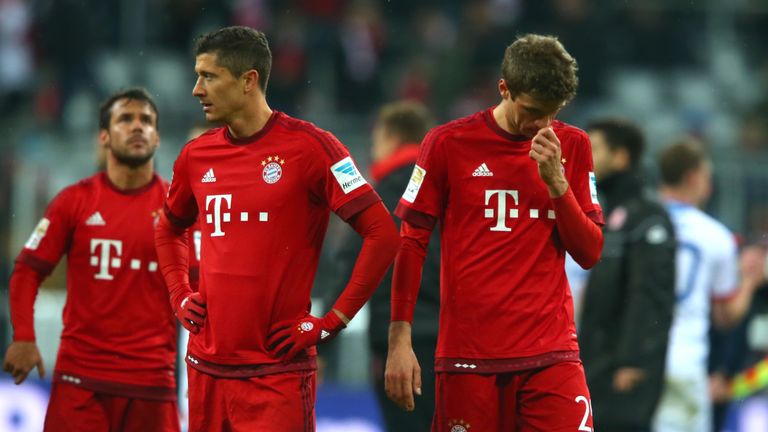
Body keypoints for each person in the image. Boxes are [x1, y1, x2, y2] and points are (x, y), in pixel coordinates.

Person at [154, 26, 400, 431]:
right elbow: (168, 229)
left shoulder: (312, 148)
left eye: (209, 76)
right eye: (198, 76)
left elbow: (383, 233)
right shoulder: (195, 156)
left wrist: (333, 320)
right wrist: (179, 292)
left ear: (249, 80)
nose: (197, 89)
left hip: (276, 375)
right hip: (206, 372)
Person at [386, 34, 604, 430]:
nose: (541, 124)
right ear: (504, 88)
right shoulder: (448, 143)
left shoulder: (572, 145)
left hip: (551, 353)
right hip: (468, 358)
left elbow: (589, 252)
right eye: (532, 110)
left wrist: (558, 185)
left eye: (552, 113)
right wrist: (399, 341)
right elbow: (411, 243)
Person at [3, 88, 183, 431]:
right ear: (104, 136)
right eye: (125, 119)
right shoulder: (74, 202)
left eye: (146, 121)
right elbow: (28, 270)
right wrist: (24, 336)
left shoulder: (179, 210)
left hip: (152, 387)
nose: (137, 127)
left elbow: (207, 286)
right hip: (80, 382)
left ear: (157, 137)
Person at [331, 100, 440, 431]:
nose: (373, 150)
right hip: (453, 342)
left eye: (376, 140)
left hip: (398, 345)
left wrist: (321, 338)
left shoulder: (384, 197)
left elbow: (352, 266)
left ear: (392, 138)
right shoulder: (449, 192)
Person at [653, 139, 759, 432]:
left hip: (636, 358)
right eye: (707, 179)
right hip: (686, 360)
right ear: (693, 177)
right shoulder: (715, 236)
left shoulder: (637, 223)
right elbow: (726, 317)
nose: (709, 188)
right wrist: (750, 279)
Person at [578, 118, 676, 432]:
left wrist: (631, 361)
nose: (586, 156)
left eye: (594, 148)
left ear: (621, 157)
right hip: (599, 362)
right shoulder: (612, 213)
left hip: (623, 370)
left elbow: (647, 295)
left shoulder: (648, 217)